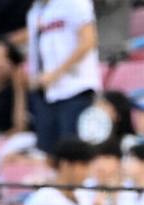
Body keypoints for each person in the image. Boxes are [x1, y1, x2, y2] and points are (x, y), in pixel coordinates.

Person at [26, 0, 101, 153]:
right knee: (47, 153)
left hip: (75, 89)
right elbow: (35, 49)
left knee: (73, 153)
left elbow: (88, 41)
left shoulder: (74, 3)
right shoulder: (34, 11)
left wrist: (56, 73)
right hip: (46, 93)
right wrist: (33, 77)